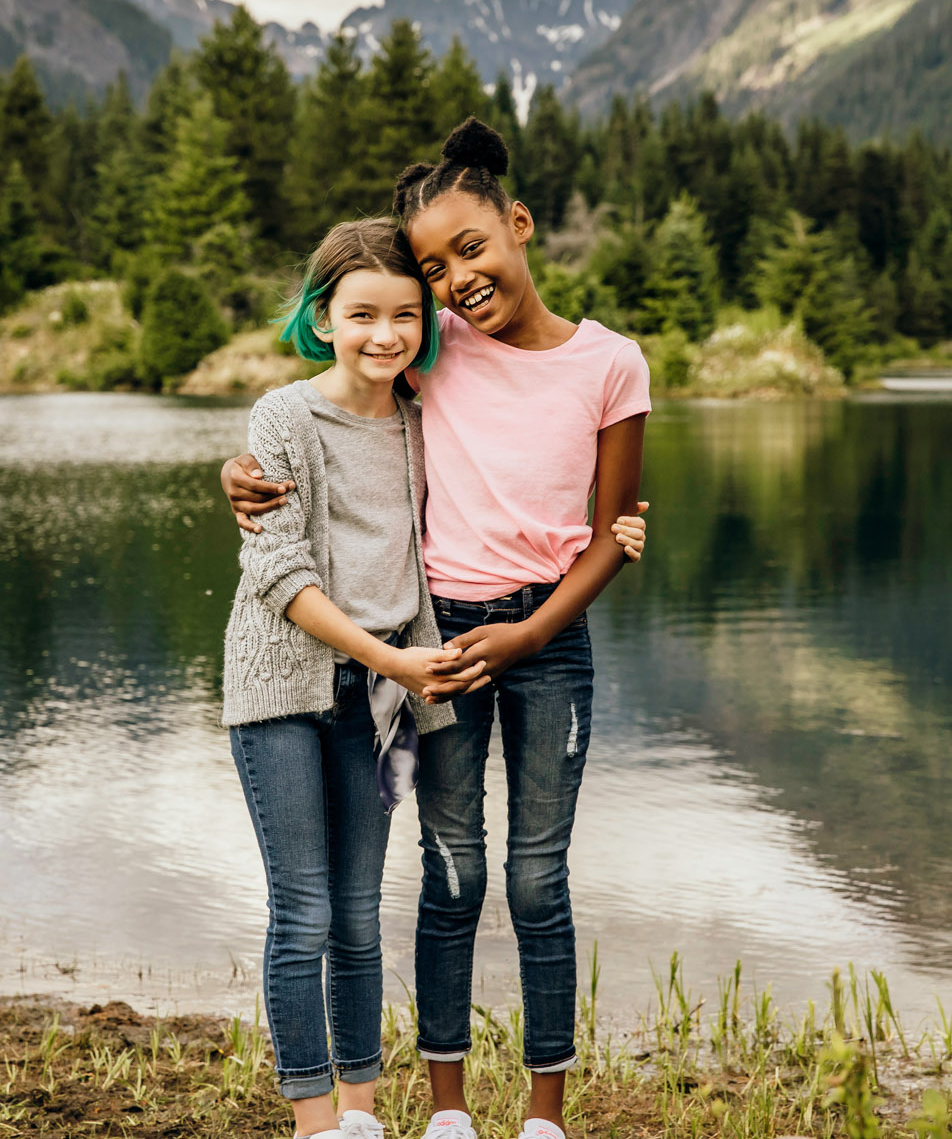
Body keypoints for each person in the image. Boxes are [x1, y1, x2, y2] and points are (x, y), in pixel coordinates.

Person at [224, 119, 651, 1139]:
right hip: (438, 642)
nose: (454, 279)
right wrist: (234, 474)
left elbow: (613, 528)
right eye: (432, 265)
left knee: (538, 875)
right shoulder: (429, 348)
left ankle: (543, 1117)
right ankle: (447, 1113)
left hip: (547, 643)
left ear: (519, 224)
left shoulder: (610, 362)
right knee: (451, 867)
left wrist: (536, 628)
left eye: (470, 248)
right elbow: (327, 400)